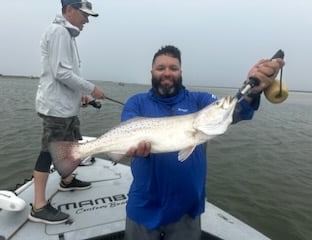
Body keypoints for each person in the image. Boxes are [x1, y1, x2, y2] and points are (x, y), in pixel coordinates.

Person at [121, 45, 284, 240]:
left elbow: (234, 110)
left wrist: (252, 90)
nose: (167, 73)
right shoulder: (136, 102)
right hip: (143, 208)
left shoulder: (200, 100)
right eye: (160, 68)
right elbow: (125, 136)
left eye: (173, 68)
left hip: (187, 210)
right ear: (152, 72)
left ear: (181, 72)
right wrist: (132, 148)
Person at [28, 0, 105, 224]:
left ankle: (67, 180)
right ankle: (39, 206)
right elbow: (61, 73)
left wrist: (79, 95)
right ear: (69, 10)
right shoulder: (59, 32)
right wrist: (92, 89)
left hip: (65, 107)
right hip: (56, 109)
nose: (87, 20)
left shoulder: (66, 35)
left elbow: (63, 74)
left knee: (71, 145)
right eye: (84, 15)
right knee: (48, 152)